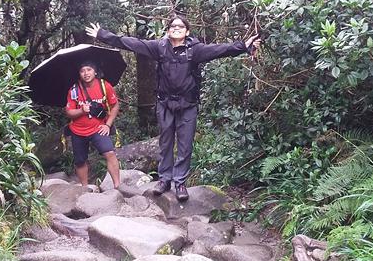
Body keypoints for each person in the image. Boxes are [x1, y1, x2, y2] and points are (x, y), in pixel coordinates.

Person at [86, 16, 260, 201]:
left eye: (181, 26)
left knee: (185, 145)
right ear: (168, 30)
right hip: (165, 104)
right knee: (165, 143)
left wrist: (243, 46)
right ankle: (164, 180)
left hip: (188, 106)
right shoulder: (159, 47)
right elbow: (131, 43)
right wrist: (102, 35)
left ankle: (180, 183)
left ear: (187, 31)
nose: (176, 28)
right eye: (173, 26)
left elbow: (220, 49)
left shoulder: (196, 50)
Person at [65, 61, 121, 190]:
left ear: (95, 72)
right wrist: (81, 110)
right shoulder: (74, 90)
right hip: (77, 131)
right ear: (79, 74)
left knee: (110, 153)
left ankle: (117, 186)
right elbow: (69, 112)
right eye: (82, 71)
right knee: (80, 161)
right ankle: (85, 189)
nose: (86, 73)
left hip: (98, 128)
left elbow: (115, 105)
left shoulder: (104, 86)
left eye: (89, 70)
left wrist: (108, 125)